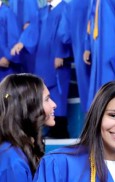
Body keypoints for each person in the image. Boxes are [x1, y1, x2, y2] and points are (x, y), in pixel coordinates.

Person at [33, 0, 72, 139]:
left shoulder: (65, 8)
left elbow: (66, 32)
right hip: (43, 60)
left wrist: (61, 53)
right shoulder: (43, 11)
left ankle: (60, 129)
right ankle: (48, 127)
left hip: (57, 59)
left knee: (58, 94)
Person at [0, 2, 21, 80]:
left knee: (7, 91)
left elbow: (14, 38)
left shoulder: (7, 13)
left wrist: (8, 57)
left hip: (6, 68)